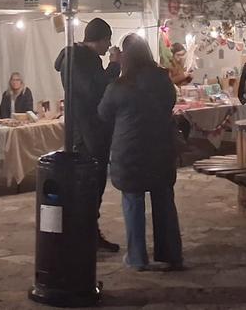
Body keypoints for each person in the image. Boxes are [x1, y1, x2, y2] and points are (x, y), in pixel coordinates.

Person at [98, 33, 183, 271]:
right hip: (160, 147)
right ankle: (171, 254)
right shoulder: (163, 80)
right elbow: (170, 103)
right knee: (164, 200)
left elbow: (103, 113)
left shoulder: (119, 85)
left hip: (130, 151)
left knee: (133, 201)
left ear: (125, 56)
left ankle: (137, 257)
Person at [55, 18, 122, 253]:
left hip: (92, 130)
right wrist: (114, 66)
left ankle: (90, 233)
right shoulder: (77, 60)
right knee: (88, 186)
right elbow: (95, 90)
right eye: (107, 40)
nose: (109, 46)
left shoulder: (84, 59)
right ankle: (84, 237)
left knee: (94, 185)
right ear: (100, 39)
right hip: (86, 133)